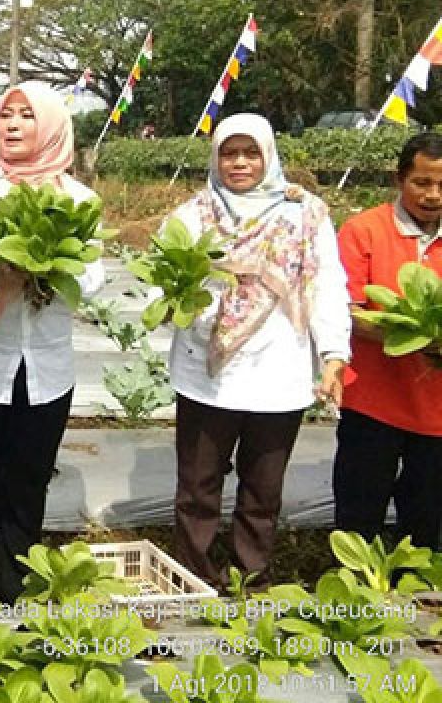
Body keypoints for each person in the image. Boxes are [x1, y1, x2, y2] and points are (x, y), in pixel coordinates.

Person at [0, 82, 104, 602]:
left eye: (27, 116)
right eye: (6, 115)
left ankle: (14, 589)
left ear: (51, 126)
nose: (12, 125)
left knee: (27, 484)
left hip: (46, 369)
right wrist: (0, 266)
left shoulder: (78, 198)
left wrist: (44, 270)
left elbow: (92, 278)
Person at [162, 113, 349, 587]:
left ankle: (252, 580)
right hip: (207, 372)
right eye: (229, 152)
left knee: (262, 491)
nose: (239, 162)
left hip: (277, 374)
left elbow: (328, 285)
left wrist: (333, 355)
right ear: (215, 157)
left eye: (250, 152)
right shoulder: (191, 216)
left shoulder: (304, 214)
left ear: (268, 156)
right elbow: (161, 282)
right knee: (198, 488)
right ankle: (195, 579)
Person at [334, 133, 442, 549]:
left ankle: (417, 597)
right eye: (422, 183)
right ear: (400, 180)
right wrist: (419, 337)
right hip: (372, 401)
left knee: (427, 515)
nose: (433, 195)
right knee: (359, 510)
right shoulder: (365, 230)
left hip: (435, 411)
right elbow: (349, 308)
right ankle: (353, 596)